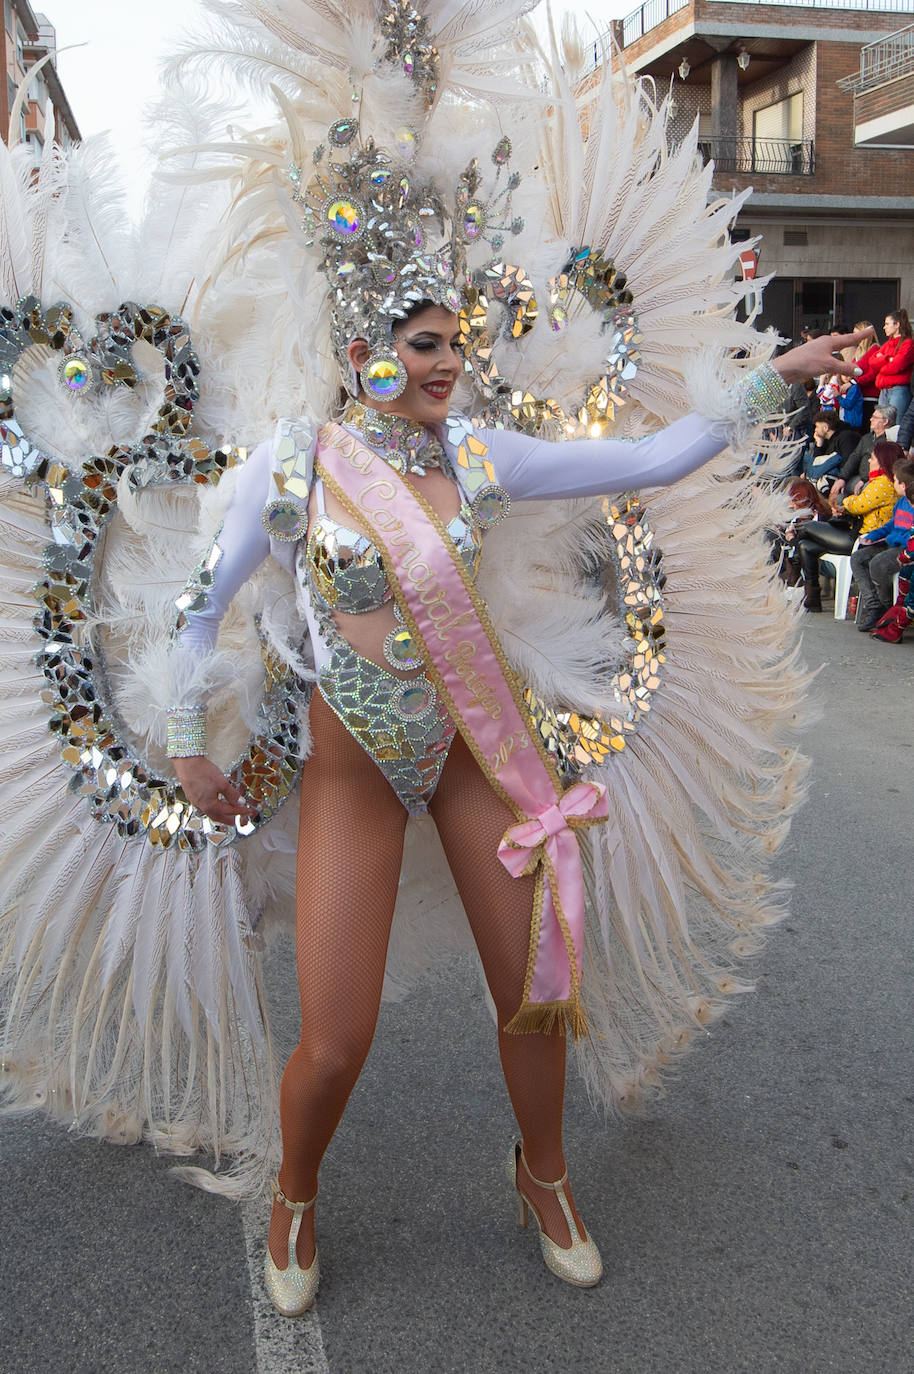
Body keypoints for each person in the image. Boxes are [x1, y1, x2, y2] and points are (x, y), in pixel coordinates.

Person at [0, 0, 874, 1321]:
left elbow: (638, 458)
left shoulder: (482, 455)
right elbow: (197, 608)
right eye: (427, 346)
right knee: (336, 1034)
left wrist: (773, 385)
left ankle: (542, 1167)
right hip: (350, 776)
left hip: (474, 754)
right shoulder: (288, 468)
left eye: (456, 343)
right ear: (365, 349)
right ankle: (293, 1185)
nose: (450, 364)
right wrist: (187, 733)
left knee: (537, 994)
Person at [794, 438, 897, 611]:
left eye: (872, 458)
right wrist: (847, 506)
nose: (869, 461)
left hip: (861, 540)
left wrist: (845, 503)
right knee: (805, 545)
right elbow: (859, 505)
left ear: (882, 461)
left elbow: (858, 505)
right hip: (856, 533)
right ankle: (812, 598)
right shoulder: (877, 483)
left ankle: (793, 570)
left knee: (804, 527)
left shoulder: (883, 484)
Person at [850, 454, 914, 629]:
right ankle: (873, 604)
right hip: (890, 545)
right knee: (857, 558)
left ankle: (887, 607)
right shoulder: (901, 502)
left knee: (878, 564)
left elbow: (909, 536)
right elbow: (891, 525)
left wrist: (891, 537)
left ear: (903, 485)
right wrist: (872, 535)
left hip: (904, 550)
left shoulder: (912, 505)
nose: (892, 483)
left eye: (894, 480)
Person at [830, 405, 897, 499]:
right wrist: (842, 478)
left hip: (876, 481)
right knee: (839, 490)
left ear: (885, 421)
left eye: (875, 417)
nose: (870, 419)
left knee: (863, 490)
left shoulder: (889, 442)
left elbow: (884, 466)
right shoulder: (867, 438)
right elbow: (854, 457)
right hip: (859, 478)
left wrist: (864, 479)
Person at [872, 309, 913, 419]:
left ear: (897, 325)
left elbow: (897, 365)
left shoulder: (908, 343)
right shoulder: (887, 344)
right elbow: (872, 362)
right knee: (880, 423)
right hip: (884, 389)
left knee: (895, 424)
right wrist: (888, 359)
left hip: (898, 389)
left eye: (887, 324)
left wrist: (882, 362)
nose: (884, 327)